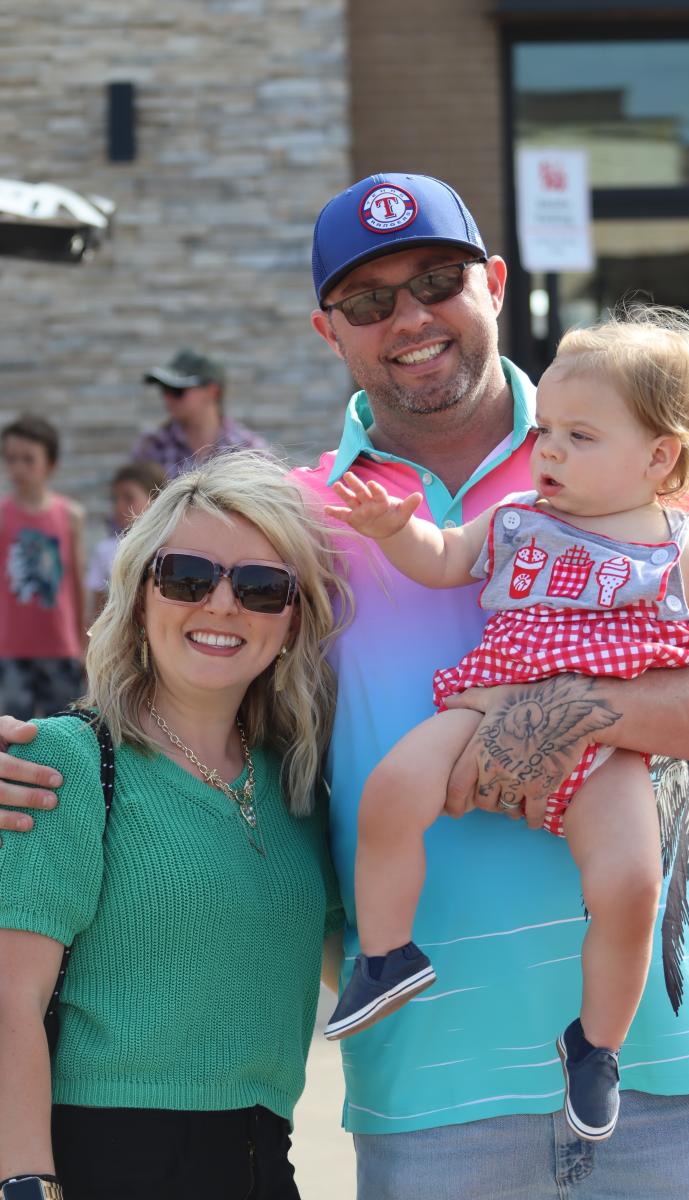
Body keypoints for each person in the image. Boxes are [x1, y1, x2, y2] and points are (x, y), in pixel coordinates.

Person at [0, 173, 689, 1199]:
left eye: (436, 282)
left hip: (664, 1058)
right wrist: (47, 762)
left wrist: (545, 722)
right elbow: (190, 691)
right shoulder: (301, 518)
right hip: (429, 1086)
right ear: (328, 330)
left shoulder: (641, 461)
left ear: (494, 283)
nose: (410, 317)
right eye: (370, 300)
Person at [321, 306, 689, 1145]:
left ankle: (597, 1045)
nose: (548, 452)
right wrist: (399, 531)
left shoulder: (688, 545)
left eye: (580, 437)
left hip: (612, 750)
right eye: (545, 431)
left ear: (659, 456)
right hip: (488, 696)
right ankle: (388, 956)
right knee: (391, 790)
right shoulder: (518, 519)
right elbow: (444, 558)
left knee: (630, 885)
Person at [0, 450, 349, 1200]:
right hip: (108, 1164)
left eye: (261, 587)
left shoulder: (297, 787)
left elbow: (353, 967)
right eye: (188, 577)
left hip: (265, 1161)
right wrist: (25, 1184)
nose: (221, 605)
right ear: (139, 597)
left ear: (293, 619)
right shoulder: (67, 760)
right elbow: (9, 1003)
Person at [0, 415, 86, 719]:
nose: (18, 468)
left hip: (59, 646)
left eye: (28, 459)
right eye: (11, 459)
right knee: (11, 733)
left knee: (66, 727)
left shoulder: (70, 515)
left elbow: (76, 582)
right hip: (10, 648)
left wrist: (83, 641)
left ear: (50, 464)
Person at [134, 348, 265, 479]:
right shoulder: (152, 446)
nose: (167, 399)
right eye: (164, 390)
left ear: (212, 392)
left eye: (177, 390)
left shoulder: (248, 450)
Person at [85, 460, 166, 619]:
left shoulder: (171, 549)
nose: (119, 506)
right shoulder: (105, 551)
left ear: (156, 499)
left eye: (129, 498)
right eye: (115, 499)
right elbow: (97, 612)